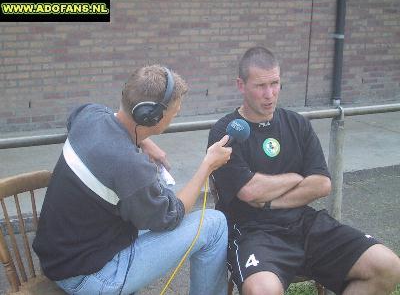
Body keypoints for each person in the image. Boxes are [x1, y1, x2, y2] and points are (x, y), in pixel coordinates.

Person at [208, 46, 400, 295]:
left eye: (275, 83)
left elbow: (321, 184)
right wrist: (296, 178)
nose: (270, 94)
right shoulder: (226, 131)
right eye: (260, 86)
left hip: (305, 224)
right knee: (262, 290)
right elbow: (250, 192)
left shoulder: (296, 123)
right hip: (253, 232)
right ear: (241, 85)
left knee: (387, 265)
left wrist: (269, 202)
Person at [33, 65, 232, 295]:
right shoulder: (130, 166)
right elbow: (173, 215)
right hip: (92, 278)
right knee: (214, 224)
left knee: (159, 193)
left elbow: (78, 115)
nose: (175, 116)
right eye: (174, 112)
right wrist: (207, 166)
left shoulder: (90, 117)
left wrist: (141, 141)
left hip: (59, 260)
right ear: (152, 116)